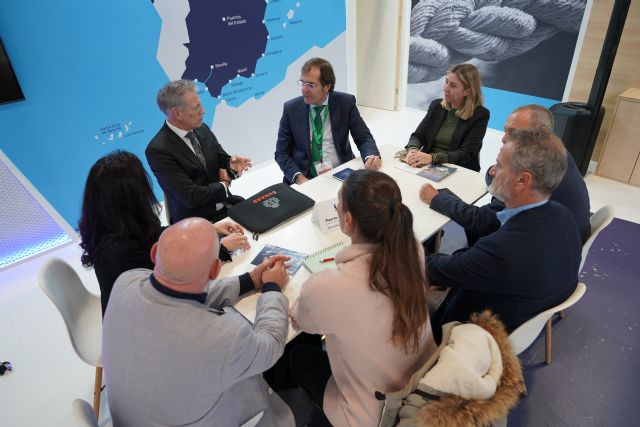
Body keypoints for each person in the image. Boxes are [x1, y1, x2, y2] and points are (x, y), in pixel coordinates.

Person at [102, 217, 295, 427]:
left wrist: (250, 280)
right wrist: (272, 288)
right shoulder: (224, 337)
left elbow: (179, 290)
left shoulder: (126, 282)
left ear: (155, 252)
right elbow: (271, 345)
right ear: (215, 269)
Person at [289, 169, 437, 427]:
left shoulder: (324, 287)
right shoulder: (412, 249)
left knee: (297, 355)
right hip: (423, 384)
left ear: (348, 220)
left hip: (372, 414)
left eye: (337, 205)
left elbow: (300, 321)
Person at [426, 129, 581, 336]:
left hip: (478, 334)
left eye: (499, 166)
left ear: (523, 180)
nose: (492, 172)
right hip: (529, 309)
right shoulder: (562, 215)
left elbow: (433, 270)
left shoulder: (504, 250)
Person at [78, 150, 250, 315]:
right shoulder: (120, 251)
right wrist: (220, 249)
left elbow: (155, 234)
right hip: (143, 321)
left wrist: (206, 229)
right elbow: (178, 280)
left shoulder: (111, 225)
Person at [420, 104, 591, 244]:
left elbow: (483, 221)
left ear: (542, 132)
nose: (503, 138)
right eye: (506, 130)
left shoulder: (534, 169)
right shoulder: (555, 154)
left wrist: (437, 199)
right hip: (559, 240)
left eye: (514, 132)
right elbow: (491, 175)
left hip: (539, 249)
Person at [146, 79, 252, 223]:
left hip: (227, 207)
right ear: (177, 113)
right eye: (196, 107)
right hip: (197, 223)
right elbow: (192, 196)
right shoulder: (158, 150)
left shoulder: (202, 129)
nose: (203, 111)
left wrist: (232, 167)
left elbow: (223, 161)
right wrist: (224, 183)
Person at [275, 57, 381, 185]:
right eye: (302, 83)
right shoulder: (291, 109)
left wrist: (370, 156)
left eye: (311, 85)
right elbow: (281, 153)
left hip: (341, 172)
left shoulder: (345, 103)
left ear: (327, 86)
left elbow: (363, 137)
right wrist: (299, 178)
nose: (304, 89)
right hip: (305, 177)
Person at [405, 63, 489, 172]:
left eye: (453, 86)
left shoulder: (480, 114)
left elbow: (466, 152)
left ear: (467, 91)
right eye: (446, 82)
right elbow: (418, 136)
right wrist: (412, 150)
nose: (446, 88)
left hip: (458, 169)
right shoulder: (436, 106)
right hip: (427, 165)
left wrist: (433, 158)